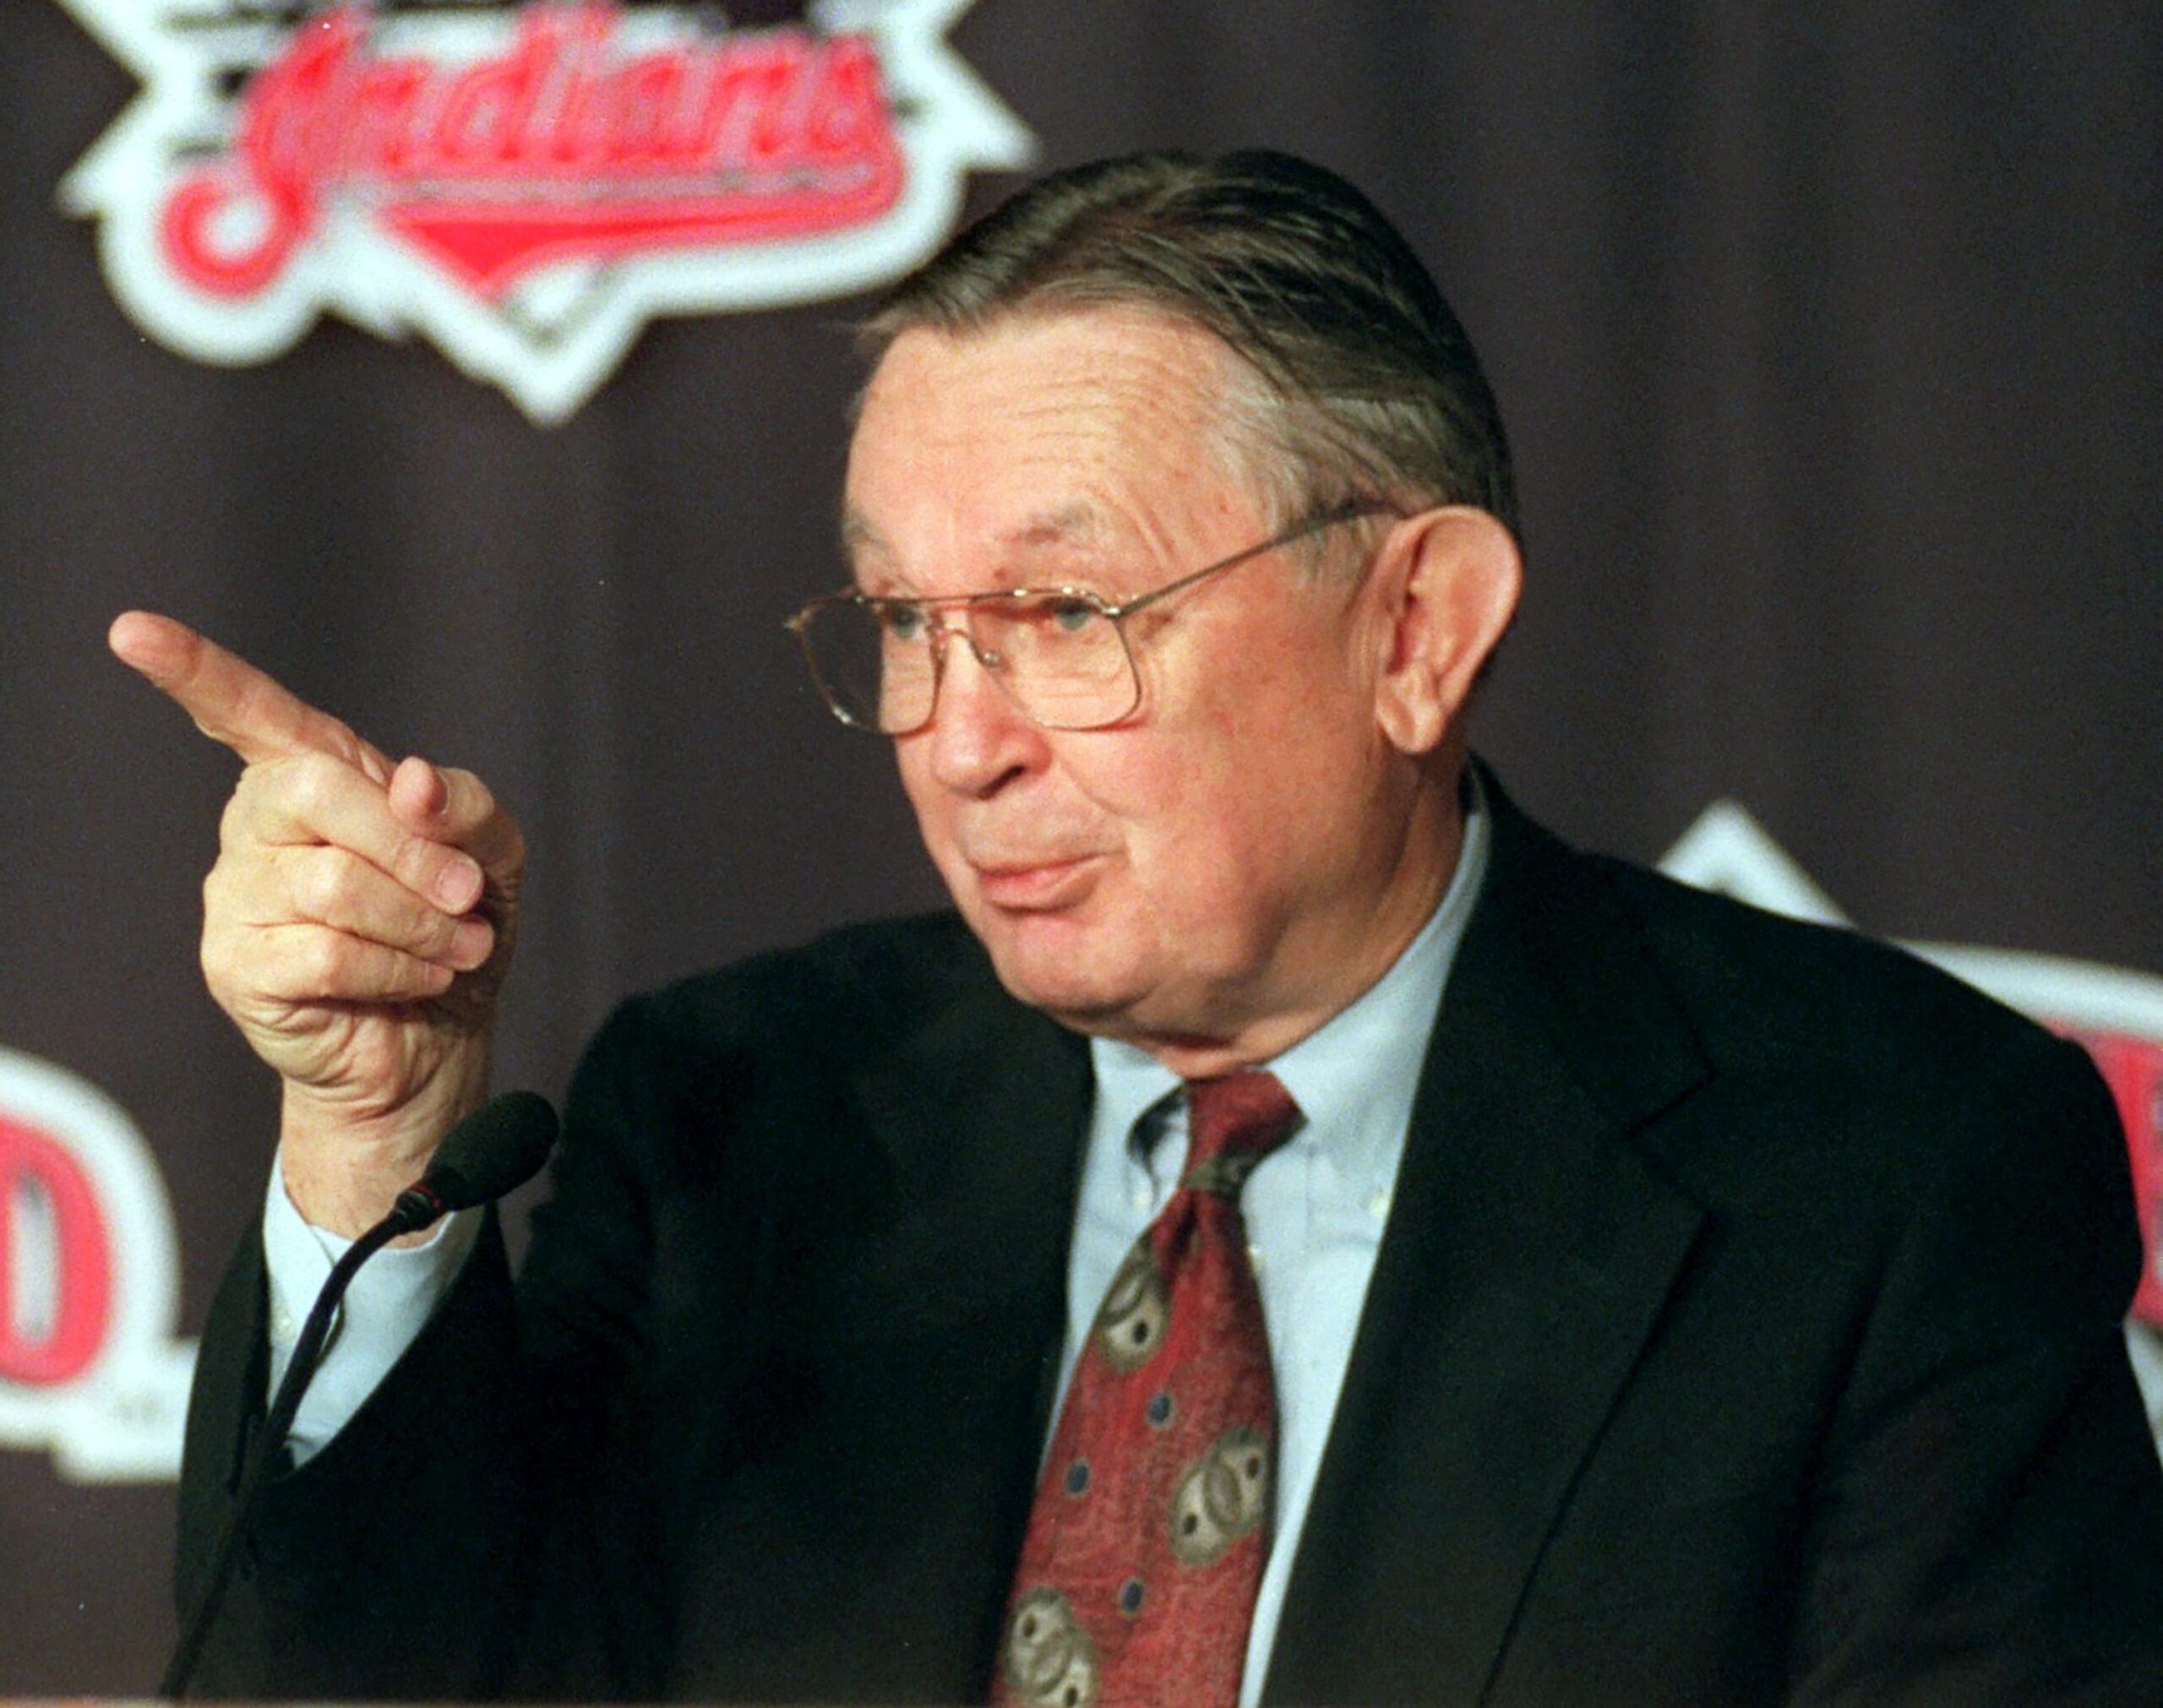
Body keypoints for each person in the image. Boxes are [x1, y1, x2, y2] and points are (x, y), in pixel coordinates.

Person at [115, 150, 2163, 1706]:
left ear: (1412, 629)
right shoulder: (745, 1117)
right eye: (903, 624)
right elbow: (388, 1690)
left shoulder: (1891, 1166)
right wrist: (374, 1132)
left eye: (1062, 618)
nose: (953, 739)